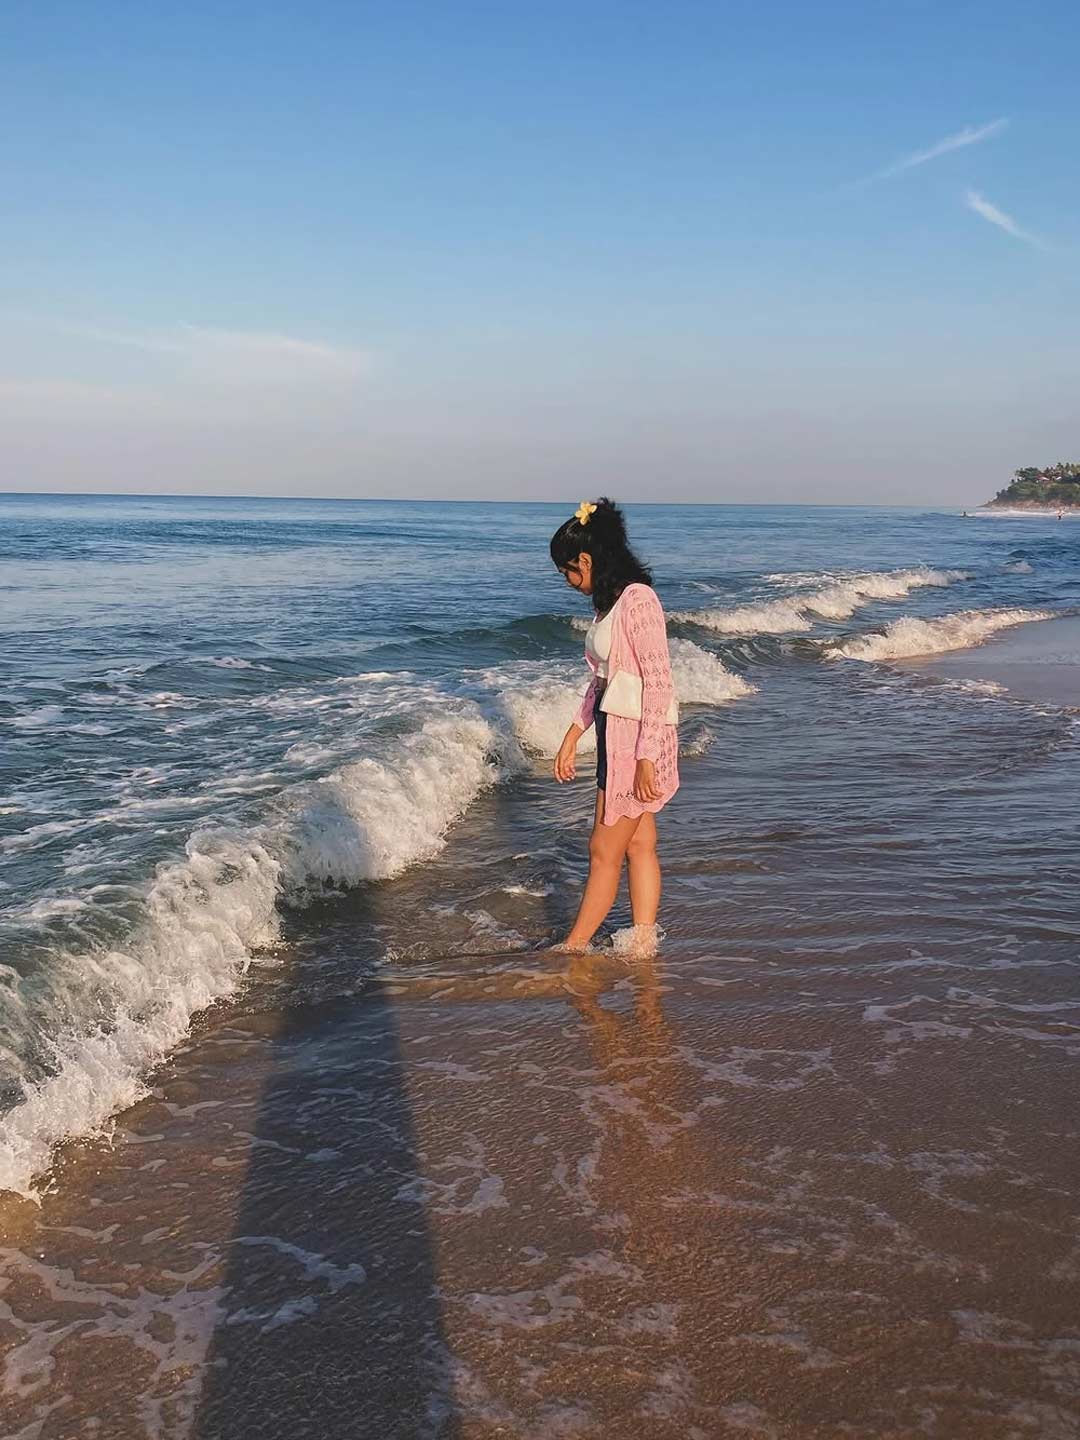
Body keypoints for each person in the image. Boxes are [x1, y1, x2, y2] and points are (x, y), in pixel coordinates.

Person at [550, 497, 680, 955]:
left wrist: (646, 757)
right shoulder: (609, 607)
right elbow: (602, 681)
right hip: (614, 733)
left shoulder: (637, 600)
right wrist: (572, 735)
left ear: (586, 560)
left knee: (603, 851)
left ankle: (574, 948)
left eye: (567, 570)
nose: (566, 581)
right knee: (639, 841)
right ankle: (643, 942)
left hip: (634, 742)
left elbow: (658, 680)